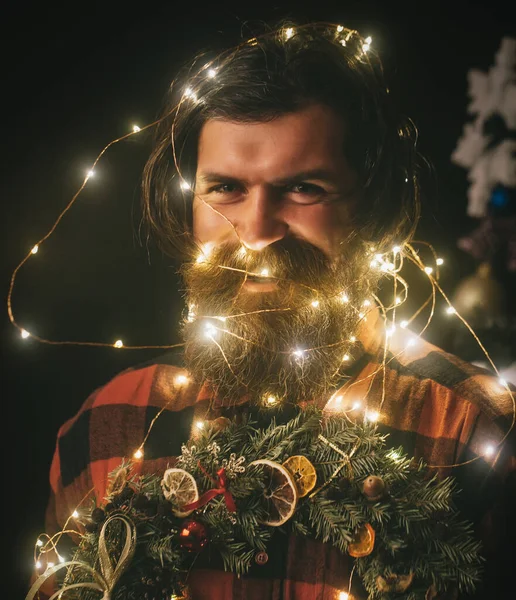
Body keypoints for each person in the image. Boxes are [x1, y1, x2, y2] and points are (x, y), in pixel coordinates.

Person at [35, 21, 515, 599]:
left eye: (303, 188)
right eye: (225, 189)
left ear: (370, 209)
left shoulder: (469, 431)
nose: (257, 232)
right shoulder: (105, 428)